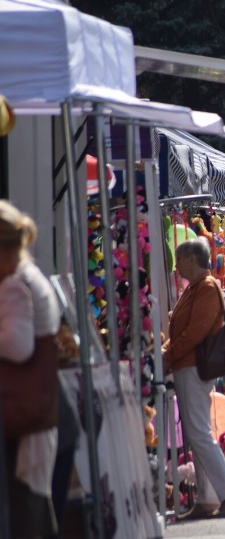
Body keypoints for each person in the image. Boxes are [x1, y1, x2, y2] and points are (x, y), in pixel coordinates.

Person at [162, 238, 225, 519]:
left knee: (198, 433)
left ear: (191, 260)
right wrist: (168, 352)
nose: (176, 264)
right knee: (198, 433)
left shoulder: (207, 287)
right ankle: (208, 498)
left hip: (193, 367)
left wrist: (167, 355)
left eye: (179, 259)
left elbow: (195, 332)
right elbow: (185, 332)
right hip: (188, 365)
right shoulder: (197, 288)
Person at [0, 200, 62, 537]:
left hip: (24, 410)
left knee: (27, 511)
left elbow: (19, 345)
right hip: (39, 410)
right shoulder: (31, 276)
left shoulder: (14, 283)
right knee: (37, 506)